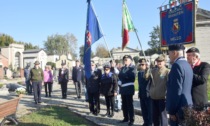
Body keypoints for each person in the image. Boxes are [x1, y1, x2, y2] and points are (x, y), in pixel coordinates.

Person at [166, 44, 193, 126]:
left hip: (179, 108)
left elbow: (176, 91)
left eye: (169, 53)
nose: (168, 56)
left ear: (174, 53)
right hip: (188, 104)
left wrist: (172, 111)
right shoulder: (187, 65)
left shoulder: (176, 66)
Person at [149, 55, 169, 126]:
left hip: (162, 97)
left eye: (161, 61)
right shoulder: (153, 71)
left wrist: (167, 95)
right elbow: (146, 77)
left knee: (163, 117)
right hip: (153, 97)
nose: (159, 63)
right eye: (158, 61)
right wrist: (147, 70)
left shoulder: (167, 72)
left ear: (164, 62)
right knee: (155, 117)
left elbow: (169, 85)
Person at [118, 55, 136, 126]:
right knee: (124, 104)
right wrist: (119, 80)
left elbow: (132, 77)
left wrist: (123, 77)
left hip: (129, 88)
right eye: (124, 60)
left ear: (130, 60)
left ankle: (131, 119)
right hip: (123, 88)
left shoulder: (133, 68)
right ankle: (126, 117)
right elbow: (119, 76)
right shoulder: (123, 68)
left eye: (127, 60)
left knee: (129, 104)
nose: (125, 61)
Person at [138, 58, 153, 126]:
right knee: (143, 110)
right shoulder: (139, 73)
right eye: (140, 64)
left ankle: (150, 123)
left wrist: (148, 70)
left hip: (148, 94)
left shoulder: (149, 72)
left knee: (149, 110)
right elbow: (140, 84)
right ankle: (145, 122)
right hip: (142, 93)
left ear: (146, 65)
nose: (141, 66)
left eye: (143, 64)